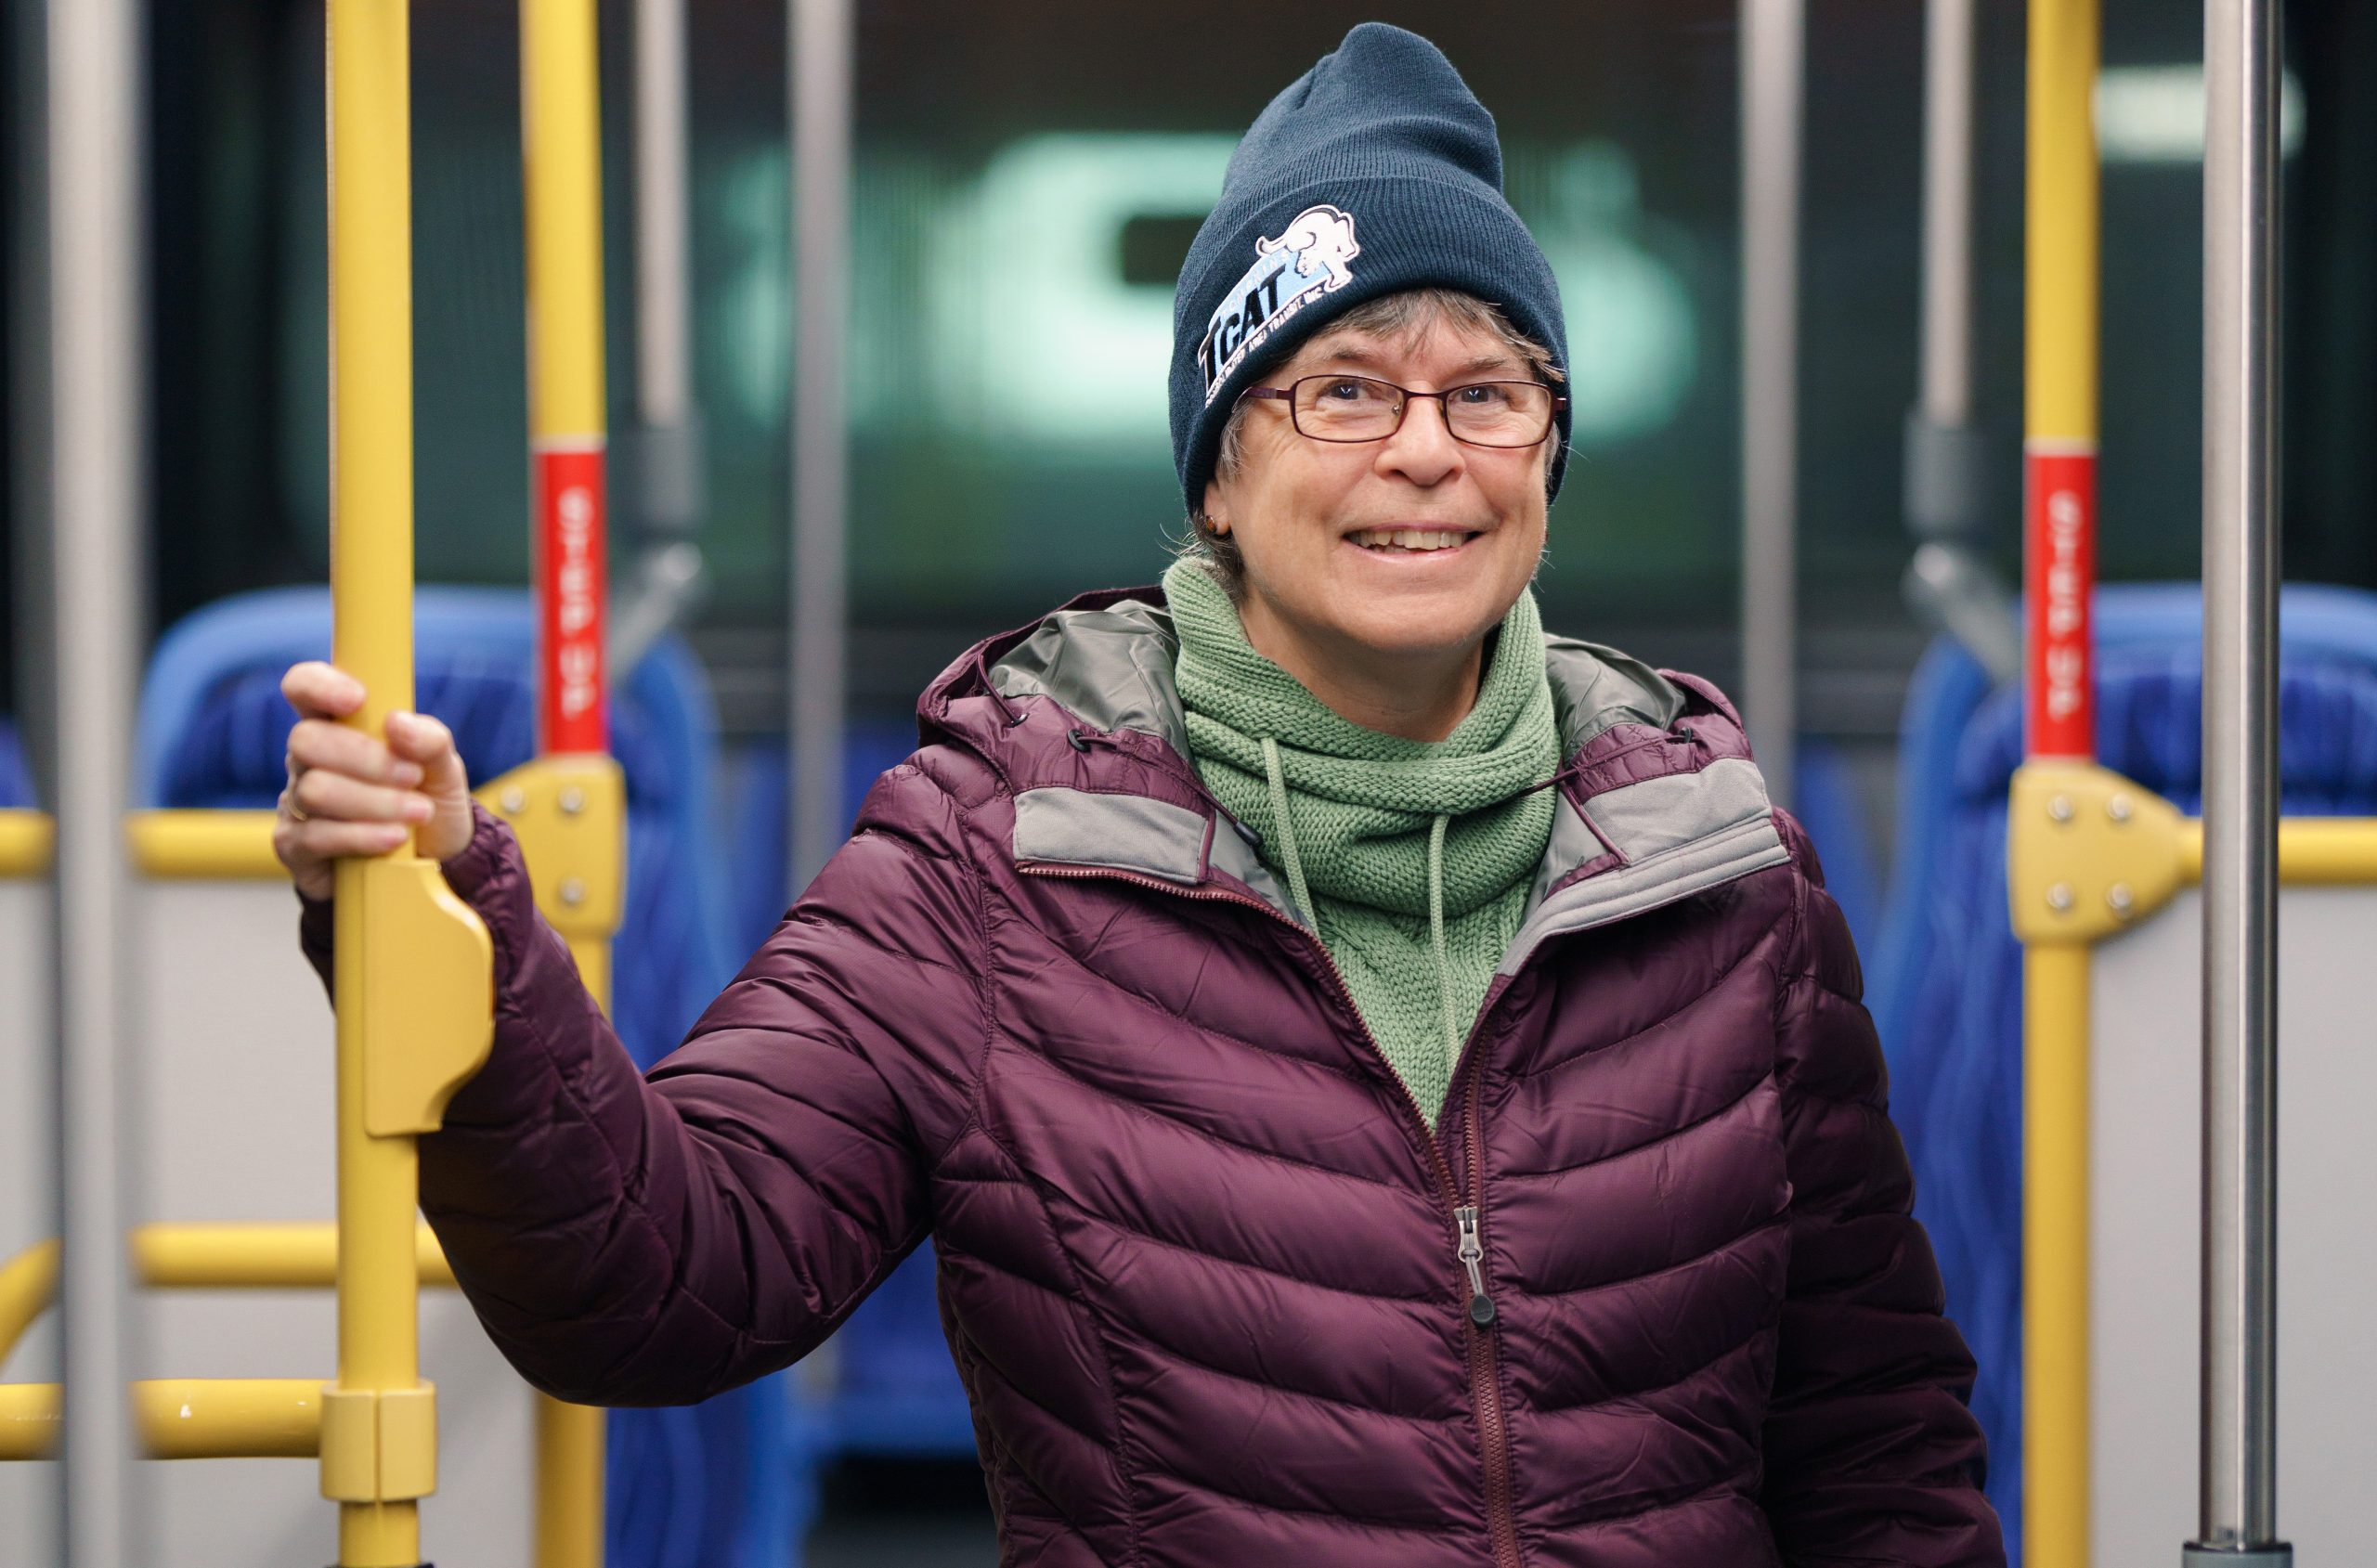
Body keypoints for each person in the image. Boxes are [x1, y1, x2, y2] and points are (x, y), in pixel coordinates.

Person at [277, 24, 2002, 1566]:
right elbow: (658, 1280)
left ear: (1547, 450)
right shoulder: (994, 851)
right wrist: (456, 917)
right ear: (1221, 474)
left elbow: (1879, 1458)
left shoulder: (1718, 864)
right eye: (1343, 390)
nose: (1425, 450)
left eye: (1487, 393)